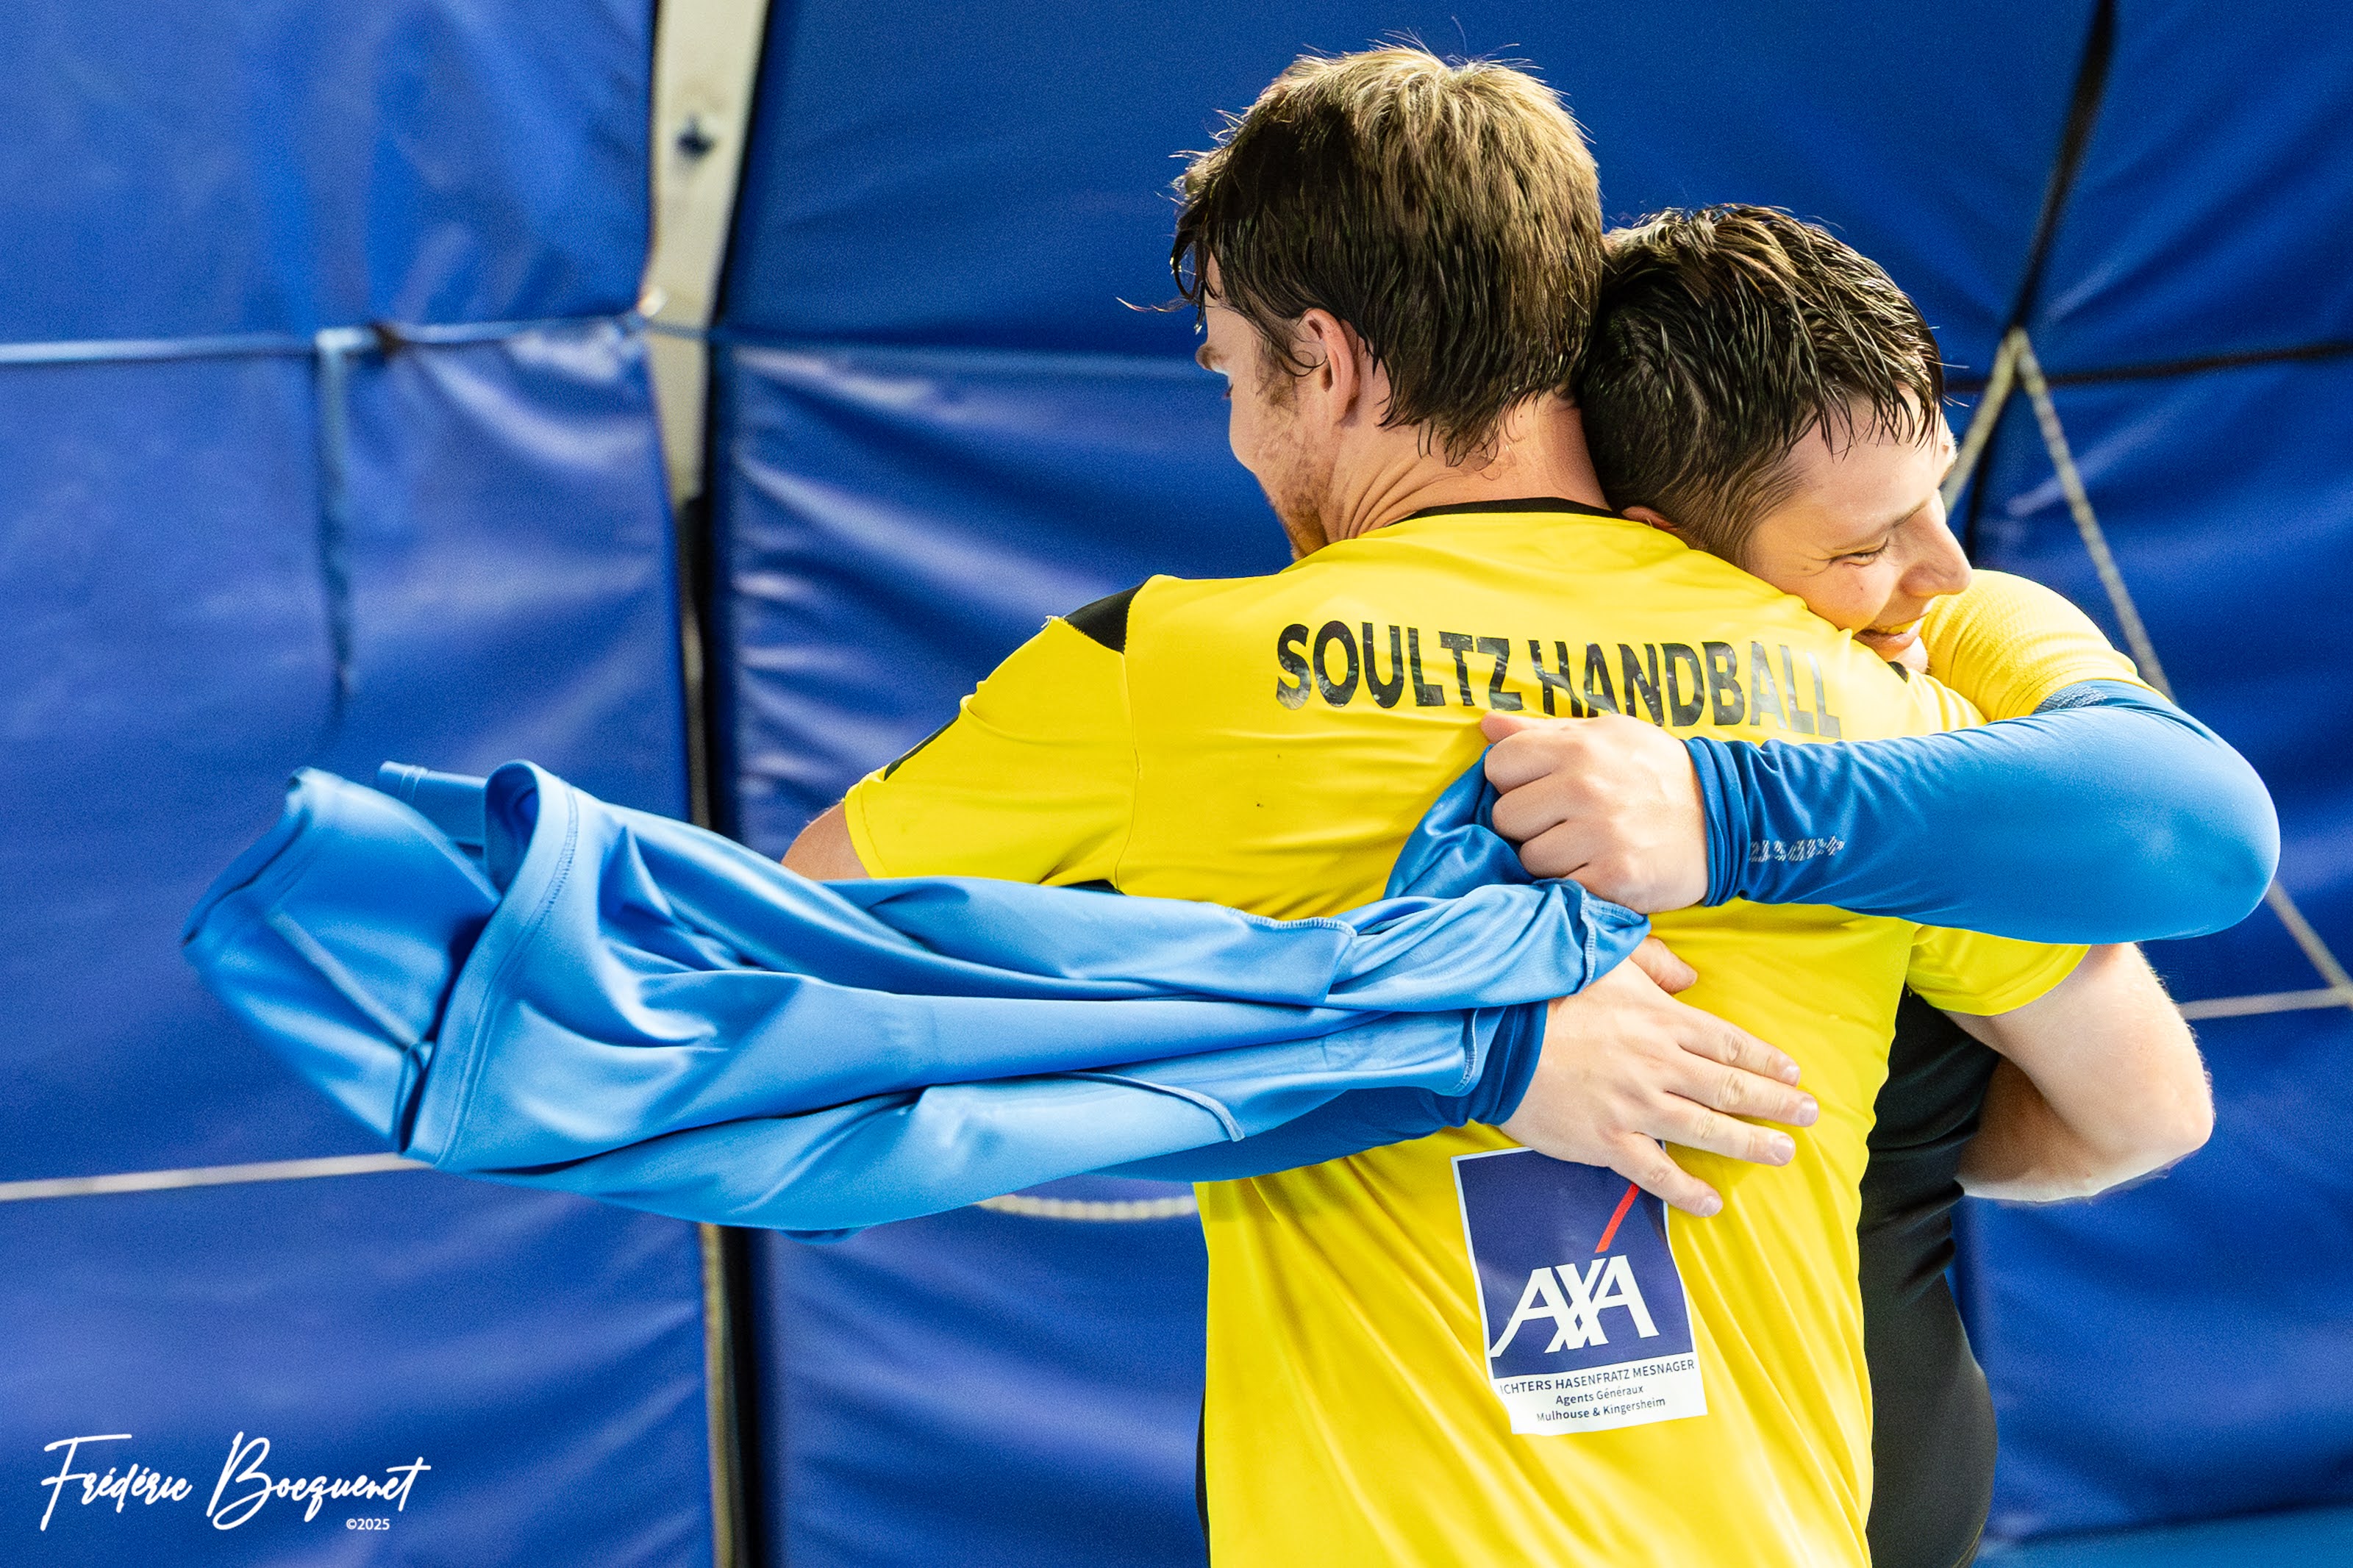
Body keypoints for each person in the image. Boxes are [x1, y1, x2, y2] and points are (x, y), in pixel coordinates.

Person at [785, 49, 2267, 1567]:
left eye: (1232, 369)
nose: (1238, 428)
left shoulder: (1159, 669)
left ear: (1334, 359)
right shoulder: (1852, 681)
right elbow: (2144, 1103)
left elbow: (762, 987)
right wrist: (1810, 1132)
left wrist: (1367, 1044)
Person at [1477, 204, 2213, 1567]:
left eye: (1936, 488)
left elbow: (2200, 871)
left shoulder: (1940, 674)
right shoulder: (1884, 737)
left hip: (1696, 1480)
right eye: (1865, 544)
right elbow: (2141, 1112)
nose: (1942, 567)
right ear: (1662, 544)